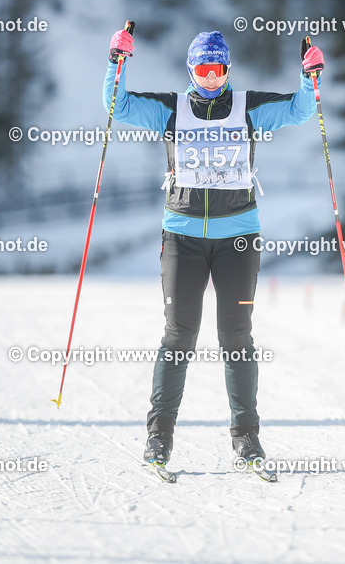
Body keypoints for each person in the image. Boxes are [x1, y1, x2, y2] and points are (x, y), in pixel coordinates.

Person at [101, 28, 324, 470]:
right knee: (178, 336)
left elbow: (301, 110)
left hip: (237, 238)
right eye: (203, 69)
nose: (211, 77)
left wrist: (309, 75)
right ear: (191, 69)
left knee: (236, 338)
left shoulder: (248, 108)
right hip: (182, 238)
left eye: (218, 69)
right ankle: (159, 437)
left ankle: (246, 438)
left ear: (227, 69)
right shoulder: (171, 108)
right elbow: (117, 105)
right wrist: (116, 63)